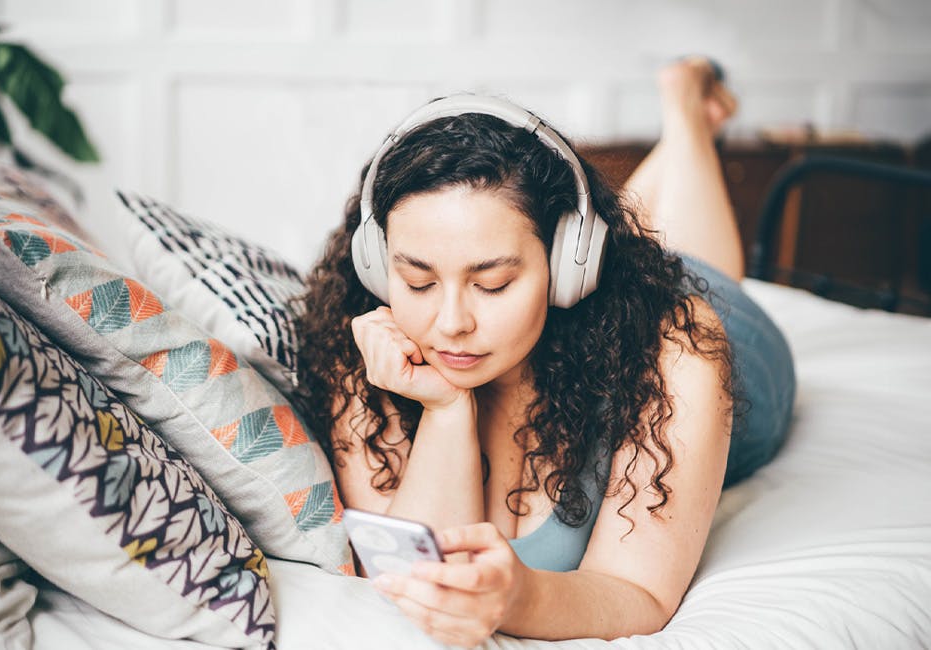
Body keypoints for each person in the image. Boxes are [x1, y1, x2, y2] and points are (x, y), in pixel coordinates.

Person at [294, 58, 795, 647]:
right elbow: (422, 578)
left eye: (494, 284)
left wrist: (522, 599)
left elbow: (643, 594)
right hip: (611, 295)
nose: (450, 324)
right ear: (379, 268)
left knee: (693, 265)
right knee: (653, 245)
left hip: (733, 342)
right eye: (420, 282)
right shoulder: (372, 344)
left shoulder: (681, 351)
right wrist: (446, 409)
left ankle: (686, 113)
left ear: (567, 268)